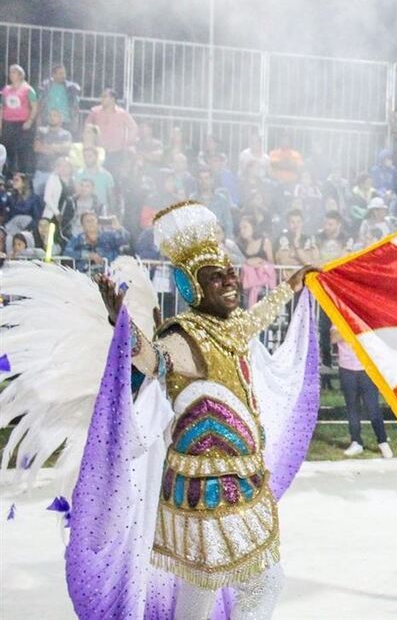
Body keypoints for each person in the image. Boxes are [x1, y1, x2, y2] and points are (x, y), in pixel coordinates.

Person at [88, 202, 319, 618]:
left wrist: (291, 288)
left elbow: (258, 318)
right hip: (210, 489)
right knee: (263, 581)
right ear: (192, 287)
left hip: (233, 480)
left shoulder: (227, 326)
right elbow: (154, 362)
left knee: (202, 587)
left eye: (231, 273)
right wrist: (122, 324)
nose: (230, 281)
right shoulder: (185, 334)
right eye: (217, 277)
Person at [334, 332, 392, 459]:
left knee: (372, 407)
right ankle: (356, 442)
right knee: (352, 408)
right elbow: (333, 338)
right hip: (346, 369)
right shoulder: (338, 316)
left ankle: (382, 441)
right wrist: (348, 329)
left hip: (367, 368)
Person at [83, 88, 137, 177]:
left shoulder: (122, 113)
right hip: (98, 151)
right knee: (97, 175)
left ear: (112, 99)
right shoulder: (95, 112)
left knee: (114, 176)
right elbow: (87, 127)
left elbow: (133, 127)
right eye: (102, 97)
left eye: (105, 97)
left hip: (116, 151)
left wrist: (127, 142)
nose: (102, 99)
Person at [1, 64, 39, 175]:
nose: (11, 75)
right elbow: (2, 107)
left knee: (23, 151)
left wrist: (30, 120)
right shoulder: (6, 89)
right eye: (10, 72)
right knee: (8, 150)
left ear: (20, 75)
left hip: (22, 124)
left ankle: (23, 175)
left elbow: (35, 106)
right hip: (8, 123)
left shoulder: (28, 89)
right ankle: (8, 175)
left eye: (14, 72)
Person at [32, 108, 73, 194]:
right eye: (50, 115)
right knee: (37, 198)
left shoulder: (66, 134)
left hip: (58, 174)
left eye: (55, 115)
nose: (52, 117)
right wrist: (56, 148)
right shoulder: (41, 131)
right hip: (41, 171)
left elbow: (66, 149)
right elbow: (37, 147)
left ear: (61, 118)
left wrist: (46, 146)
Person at [37, 64, 81, 131]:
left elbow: (76, 106)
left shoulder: (71, 88)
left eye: (64, 73)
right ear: (53, 75)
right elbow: (40, 103)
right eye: (60, 73)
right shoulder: (45, 86)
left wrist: (75, 120)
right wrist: (39, 118)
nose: (63, 76)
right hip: (49, 121)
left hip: (66, 122)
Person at [75, 145, 116, 211]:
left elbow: (111, 197)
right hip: (84, 213)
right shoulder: (79, 174)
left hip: (101, 212)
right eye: (85, 156)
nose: (87, 159)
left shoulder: (107, 176)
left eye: (90, 156)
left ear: (96, 157)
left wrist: (112, 212)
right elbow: (77, 195)